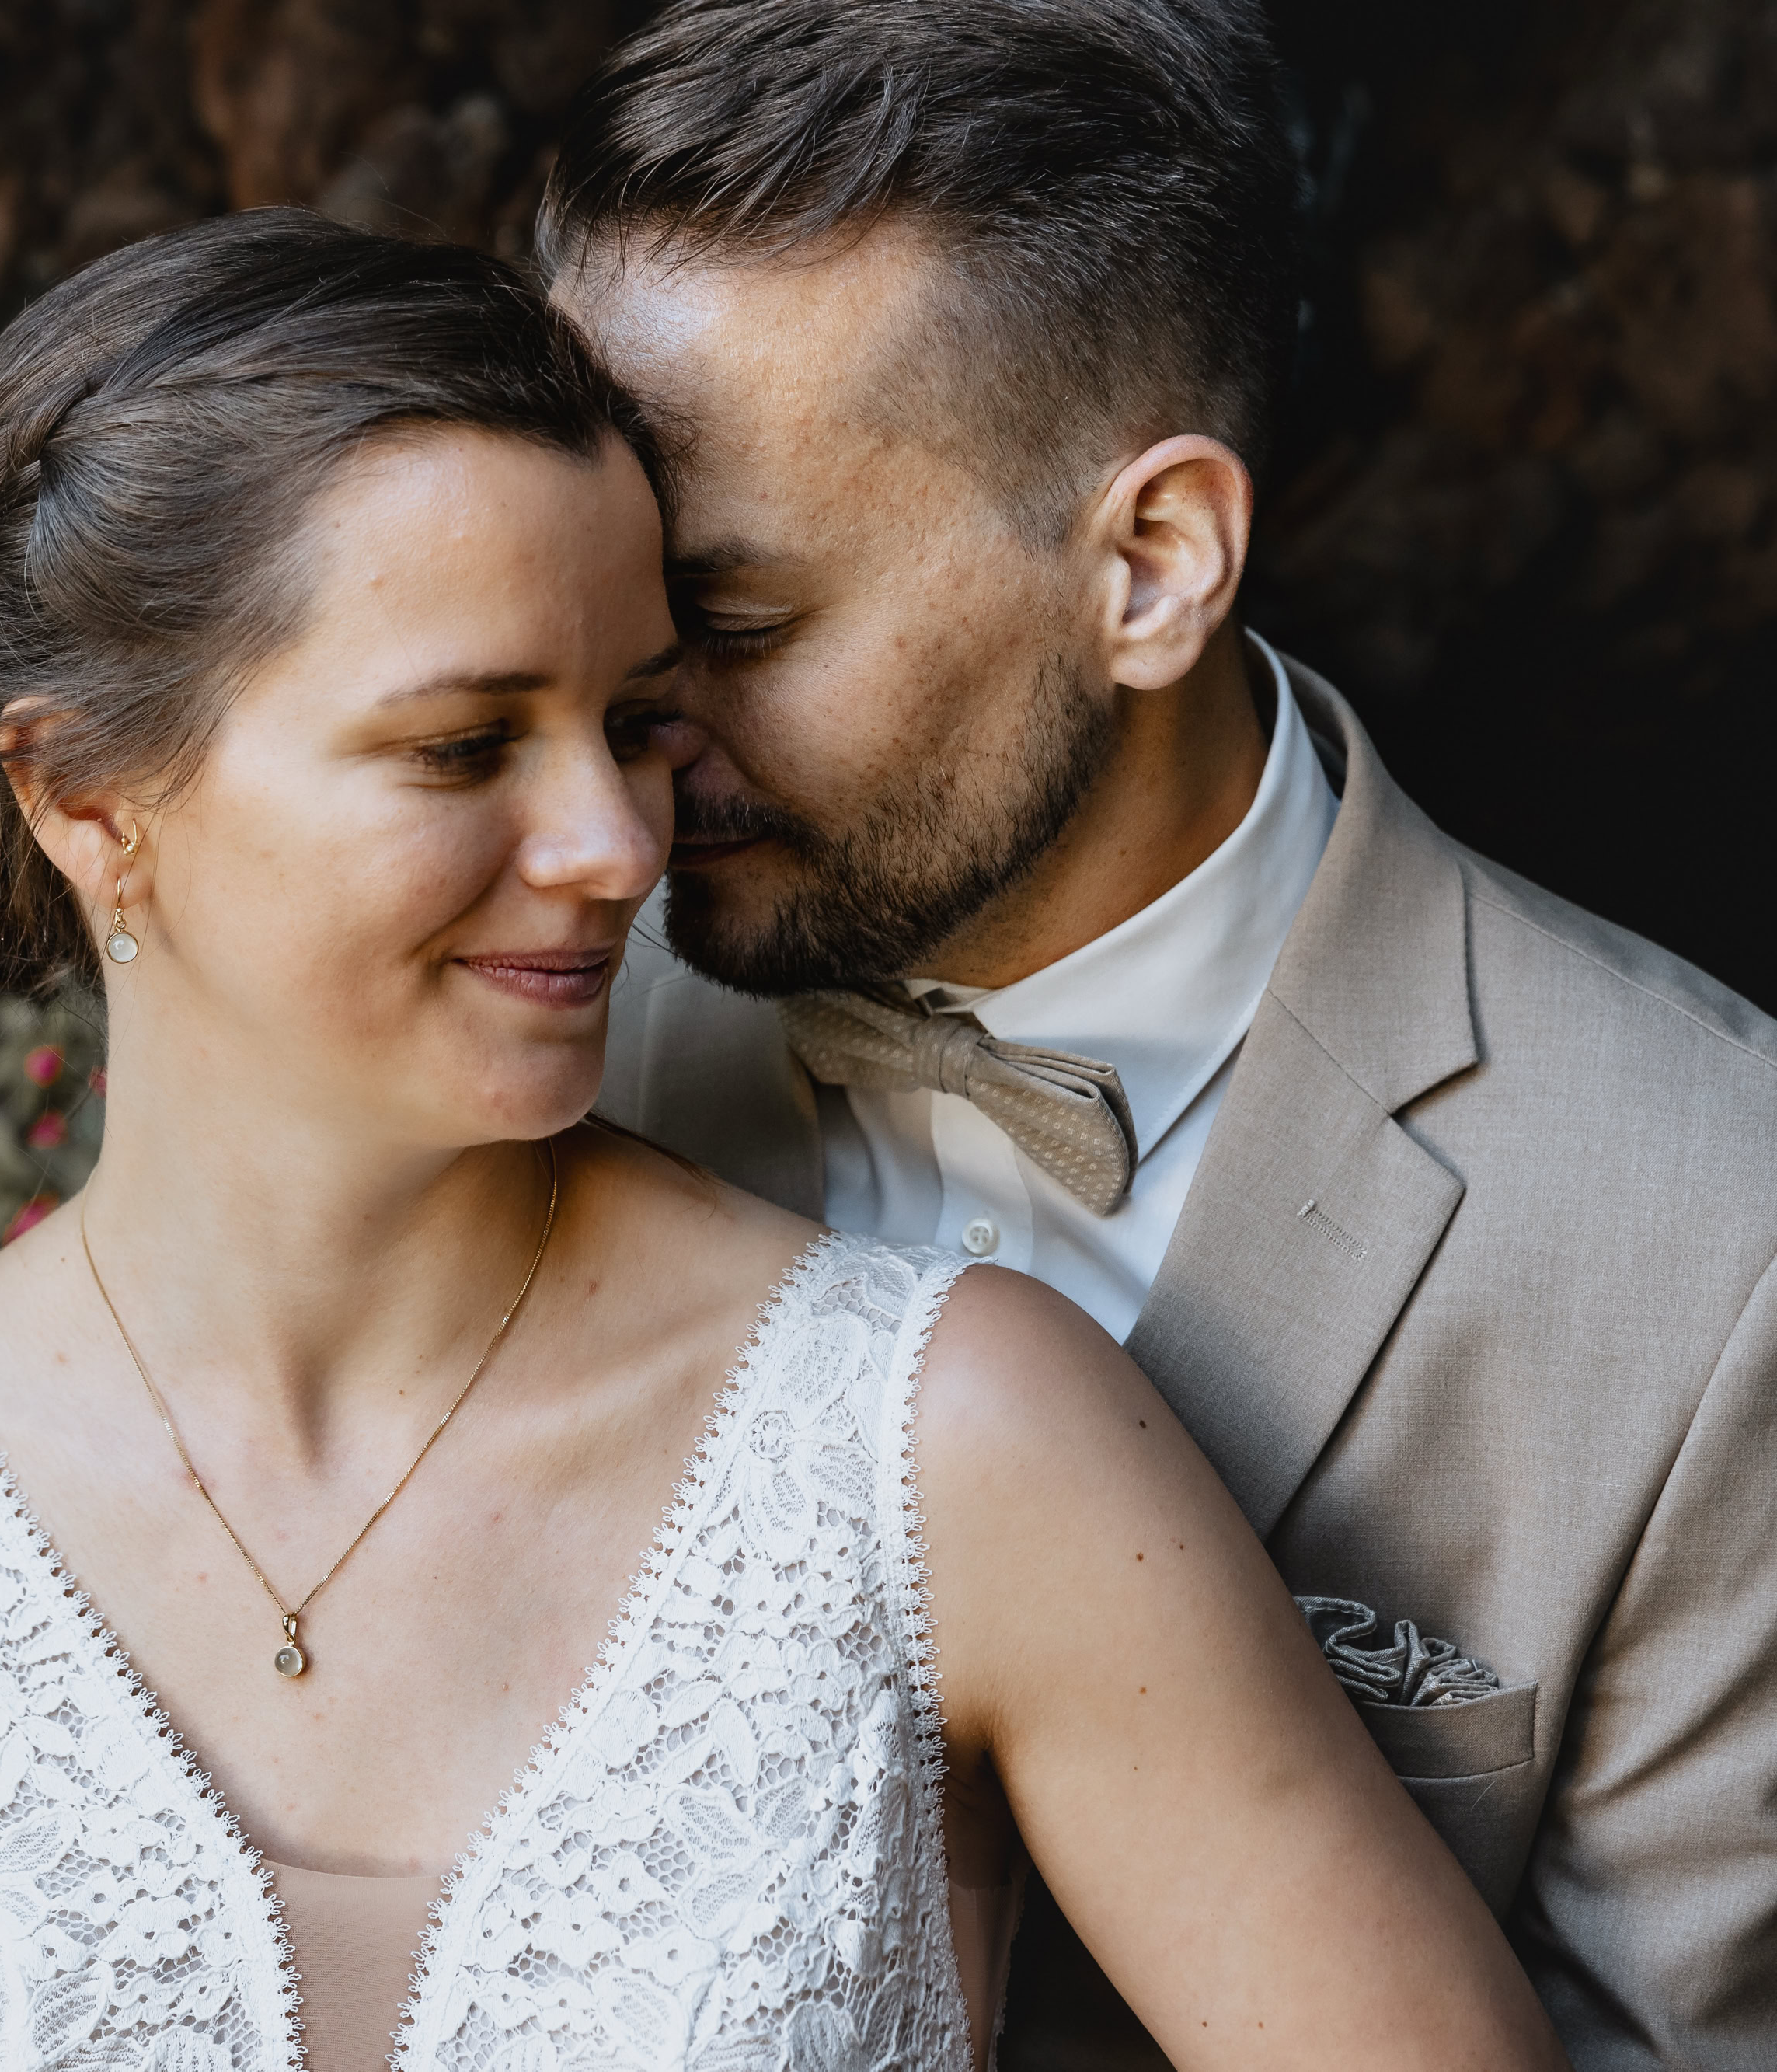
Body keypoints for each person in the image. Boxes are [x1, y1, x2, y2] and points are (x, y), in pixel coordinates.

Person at [0, 208, 1559, 2072]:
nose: (616, 845)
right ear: (83, 797)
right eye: (463, 745)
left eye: (633, 723)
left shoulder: (949, 1446)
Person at [545, 2, 1777, 2066]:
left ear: (1150, 562)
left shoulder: (1719, 1246)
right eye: (602, 624)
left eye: (734, 626)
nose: (623, 754)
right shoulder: (535, 1027)